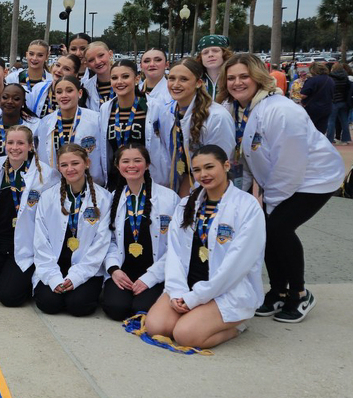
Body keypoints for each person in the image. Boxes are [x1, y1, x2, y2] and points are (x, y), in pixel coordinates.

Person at [219, 53, 344, 322]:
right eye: (231, 78)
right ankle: (278, 292)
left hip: (314, 179)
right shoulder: (242, 108)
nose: (237, 82)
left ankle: (299, 294)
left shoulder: (280, 109)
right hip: (279, 180)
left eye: (244, 76)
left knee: (279, 228)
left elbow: (291, 164)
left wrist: (271, 200)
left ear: (258, 77)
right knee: (267, 231)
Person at [145, 145, 264, 349]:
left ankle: (237, 327)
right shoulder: (186, 204)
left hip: (225, 289)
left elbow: (236, 264)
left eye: (210, 167)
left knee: (185, 335)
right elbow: (174, 253)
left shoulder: (247, 205)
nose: (203, 174)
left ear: (226, 165)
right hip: (188, 285)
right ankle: (196, 315)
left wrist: (196, 298)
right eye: (197, 170)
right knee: (155, 327)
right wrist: (177, 292)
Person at [0, 126, 56, 305]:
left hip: (25, 244)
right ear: (4, 145)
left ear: (31, 146)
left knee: (9, 297)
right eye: (11, 143)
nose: (15, 147)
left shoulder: (46, 175)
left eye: (21, 143)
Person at [101, 145, 180, 321]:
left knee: (141, 310)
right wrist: (114, 270)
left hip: (156, 271)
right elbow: (109, 240)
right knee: (116, 309)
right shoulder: (112, 198)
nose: (131, 166)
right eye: (125, 161)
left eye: (137, 161)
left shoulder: (169, 198)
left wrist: (150, 278)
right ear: (117, 165)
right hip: (124, 271)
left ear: (147, 164)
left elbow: (177, 246)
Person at [32, 143, 112, 317]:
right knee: (49, 303)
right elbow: (41, 241)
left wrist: (76, 277)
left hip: (86, 266)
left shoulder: (104, 198)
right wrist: (53, 278)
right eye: (64, 165)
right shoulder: (47, 197)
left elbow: (101, 244)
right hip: (54, 264)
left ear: (87, 163)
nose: (70, 169)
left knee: (79, 306)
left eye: (75, 163)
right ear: (58, 167)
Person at [154, 59, 234, 196]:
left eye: (183, 79)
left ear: (198, 83)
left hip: (211, 188)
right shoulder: (166, 112)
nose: (176, 85)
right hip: (178, 181)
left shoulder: (217, 117)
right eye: (171, 78)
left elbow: (221, 162)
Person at [97, 60, 156, 191]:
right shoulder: (106, 109)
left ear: (137, 78)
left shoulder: (150, 107)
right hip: (115, 178)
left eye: (125, 76)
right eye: (114, 78)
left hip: (145, 177)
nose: (119, 82)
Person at [34, 76, 103, 182]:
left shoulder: (96, 119)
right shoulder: (45, 123)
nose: (64, 96)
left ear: (80, 93)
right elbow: (43, 159)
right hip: (55, 185)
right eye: (59, 92)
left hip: (90, 184)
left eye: (69, 91)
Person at [298, 61, 334, 134]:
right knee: (321, 131)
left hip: (312, 108)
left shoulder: (312, 80)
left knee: (310, 130)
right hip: (327, 107)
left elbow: (303, 95)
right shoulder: (330, 80)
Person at [197, 35, 231, 100]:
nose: (210, 55)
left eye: (215, 51)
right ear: (200, 57)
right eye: (205, 52)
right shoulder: (195, 81)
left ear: (224, 53)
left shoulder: (233, 79)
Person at [82, 41, 115, 108]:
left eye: (101, 56)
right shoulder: (86, 88)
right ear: (87, 64)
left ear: (110, 54)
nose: (97, 62)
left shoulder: (127, 82)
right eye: (91, 60)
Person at [326, 62, 352, 144]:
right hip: (343, 101)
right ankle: (346, 138)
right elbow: (348, 89)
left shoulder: (330, 78)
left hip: (333, 101)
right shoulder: (345, 77)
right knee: (344, 121)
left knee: (331, 121)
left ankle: (330, 139)